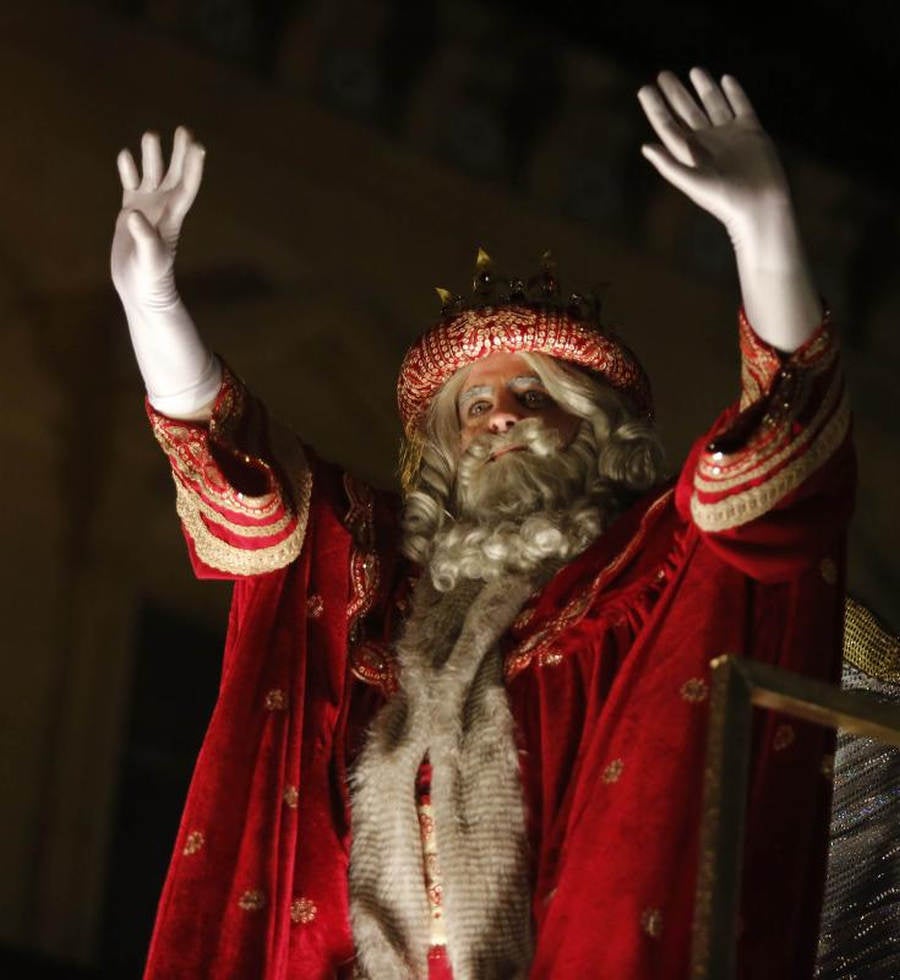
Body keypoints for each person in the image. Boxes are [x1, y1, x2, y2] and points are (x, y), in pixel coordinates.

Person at [111, 69, 854, 979]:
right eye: (473, 407)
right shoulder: (383, 590)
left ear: (597, 424)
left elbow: (769, 463)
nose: (497, 416)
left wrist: (764, 234)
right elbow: (260, 503)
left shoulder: (652, 567)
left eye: (530, 393)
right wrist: (154, 308)